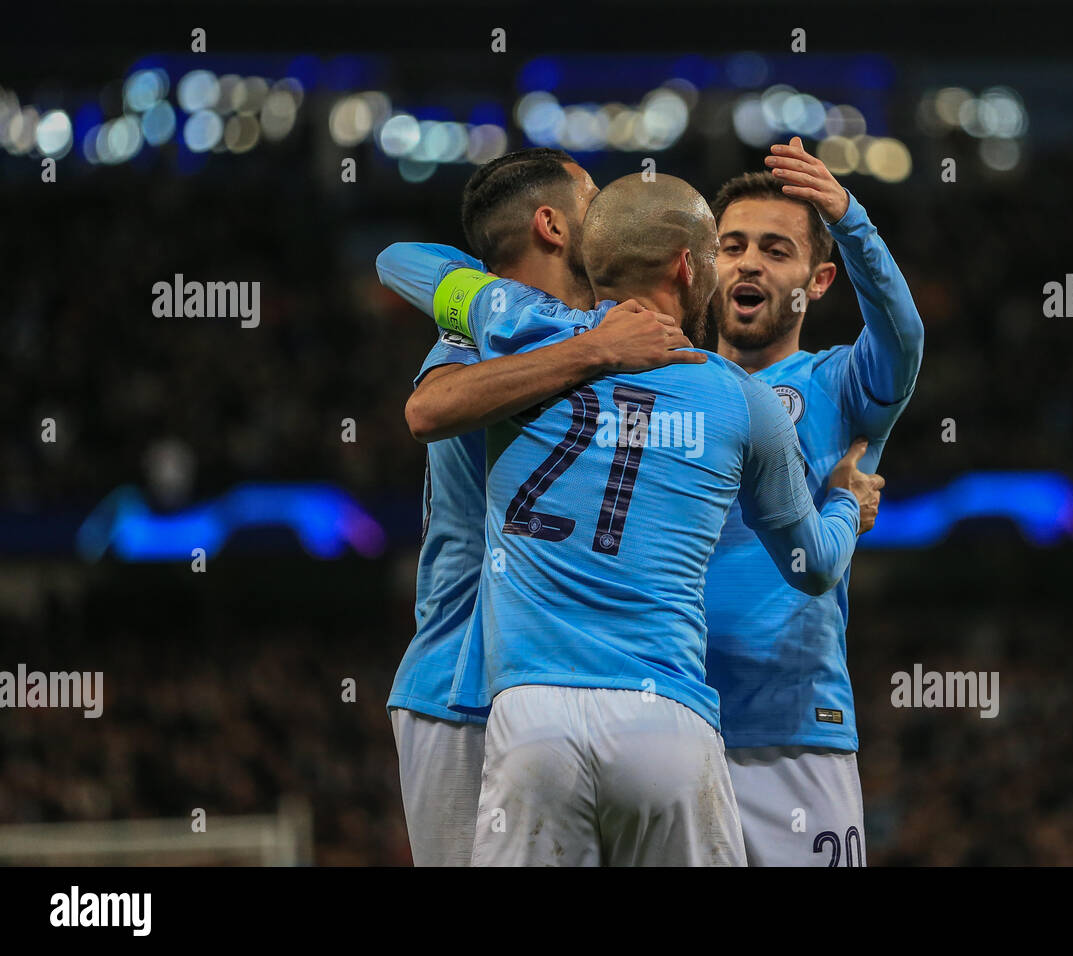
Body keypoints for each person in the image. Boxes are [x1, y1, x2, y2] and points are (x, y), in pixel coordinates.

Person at [419, 173, 878, 865]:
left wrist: (561, 335)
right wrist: (845, 502)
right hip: (664, 715)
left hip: (529, 713)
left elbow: (400, 263)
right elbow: (812, 565)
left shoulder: (517, 345)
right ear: (691, 267)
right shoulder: (736, 396)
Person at [378, 148, 699, 865]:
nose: (615, 219)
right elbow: (429, 408)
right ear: (552, 226)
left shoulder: (622, 333)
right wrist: (589, 351)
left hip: (588, 687)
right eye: (595, 203)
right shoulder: (477, 334)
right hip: (463, 689)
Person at [702, 137, 924, 865]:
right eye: (731, 245)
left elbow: (901, 338)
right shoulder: (665, 381)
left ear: (818, 278)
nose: (749, 263)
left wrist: (851, 219)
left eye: (775, 249)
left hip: (795, 731)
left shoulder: (839, 386)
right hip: (667, 724)